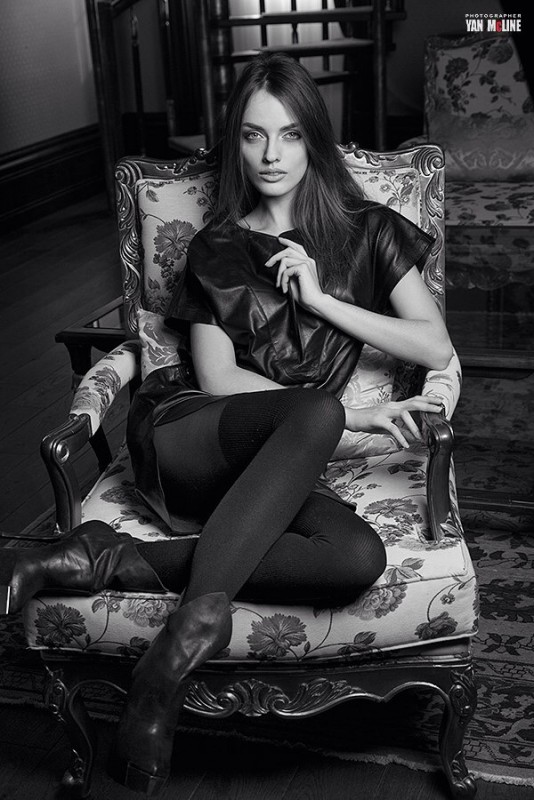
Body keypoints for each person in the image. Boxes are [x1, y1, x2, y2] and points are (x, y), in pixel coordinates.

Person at [1, 53, 451, 795]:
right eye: (252, 135)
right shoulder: (215, 247)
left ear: (314, 140)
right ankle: (172, 663)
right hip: (192, 437)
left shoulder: (372, 232)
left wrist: (321, 298)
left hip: (276, 465)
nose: (271, 155)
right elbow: (217, 380)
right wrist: (355, 415)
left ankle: (98, 559)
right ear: (235, 142)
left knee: (354, 556)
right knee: (314, 409)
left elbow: (434, 346)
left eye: (290, 135)